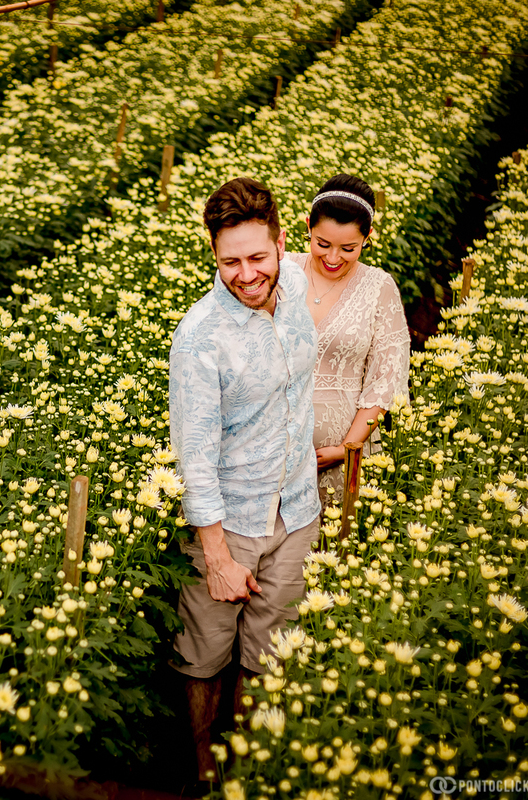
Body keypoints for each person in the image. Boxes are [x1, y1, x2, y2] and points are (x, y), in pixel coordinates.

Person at [168, 176, 322, 784]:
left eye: (258, 257)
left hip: (298, 507)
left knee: (269, 648)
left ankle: (246, 769)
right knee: (205, 652)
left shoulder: (301, 279)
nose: (246, 273)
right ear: (213, 256)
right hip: (230, 520)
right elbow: (195, 457)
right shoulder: (200, 336)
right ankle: (205, 770)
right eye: (229, 261)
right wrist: (217, 556)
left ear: (281, 245)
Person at [286, 174, 410, 510]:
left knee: (327, 553)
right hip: (267, 447)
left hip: (339, 455)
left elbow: (386, 377)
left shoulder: (379, 288)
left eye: (349, 248)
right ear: (308, 226)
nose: (333, 257)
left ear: (368, 237)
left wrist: (347, 448)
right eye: (322, 243)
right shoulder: (282, 269)